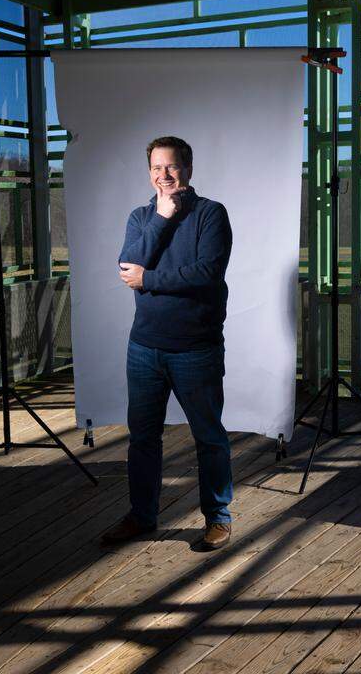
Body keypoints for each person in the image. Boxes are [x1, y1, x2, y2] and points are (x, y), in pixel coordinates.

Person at [101, 135, 235, 551]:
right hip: (144, 349)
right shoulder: (142, 216)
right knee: (143, 438)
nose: (164, 175)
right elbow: (127, 265)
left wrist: (149, 280)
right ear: (149, 173)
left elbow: (205, 273)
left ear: (188, 170)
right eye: (157, 168)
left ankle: (218, 518)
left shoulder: (211, 214)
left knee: (208, 437)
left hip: (196, 348)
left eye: (172, 167)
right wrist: (161, 217)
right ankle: (142, 516)